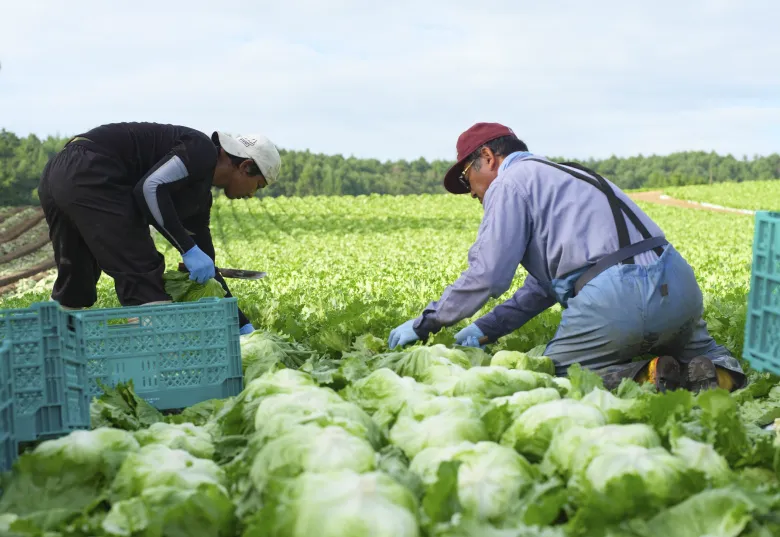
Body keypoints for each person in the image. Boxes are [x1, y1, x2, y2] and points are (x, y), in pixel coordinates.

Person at [388, 122, 745, 393]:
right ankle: (718, 372)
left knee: (555, 379)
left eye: (468, 180)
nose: (472, 194)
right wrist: (486, 327)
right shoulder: (573, 175)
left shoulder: (508, 184)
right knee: (707, 354)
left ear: (488, 158)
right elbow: (545, 287)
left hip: (616, 300)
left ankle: (647, 375)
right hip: (678, 284)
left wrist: (427, 323)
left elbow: (488, 275)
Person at [37, 122, 282, 335]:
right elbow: (149, 189)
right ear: (245, 166)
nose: (251, 195)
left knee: (76, 279)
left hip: (60, 174)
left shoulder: (197, 199)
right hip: (89, 168)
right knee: (142, 274)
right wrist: (187, 248)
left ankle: (47, 354)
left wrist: (240, 324)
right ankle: (153, 373)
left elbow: (210, 272)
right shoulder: (202, 150)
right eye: (257, 185)